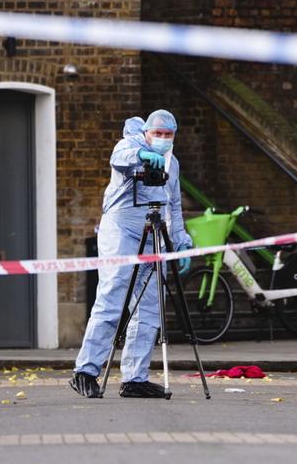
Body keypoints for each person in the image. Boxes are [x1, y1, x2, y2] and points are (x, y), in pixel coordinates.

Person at [70, 110, 192, 399]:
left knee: (149, 307)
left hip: (152, 234)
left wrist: (181, 241)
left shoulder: (172, 164)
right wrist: (142, 155)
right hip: (121, 230)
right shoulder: (128, 145)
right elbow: (120, 159)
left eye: (168, 135)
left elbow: (173, 205)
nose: (162, 140)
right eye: (157, 134)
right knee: (112, 295)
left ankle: (135, 378)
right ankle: (85, 371)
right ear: (147, 133)